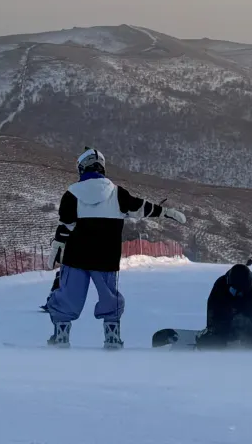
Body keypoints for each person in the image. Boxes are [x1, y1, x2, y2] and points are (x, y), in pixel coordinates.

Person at [44, 147, 186, 349]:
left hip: (75, 258)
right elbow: (142, 208)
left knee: (69, 296)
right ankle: (112, 337)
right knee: (109, 297)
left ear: (81, 168)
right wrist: (166, 212)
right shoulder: (117, 193)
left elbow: (66, 225)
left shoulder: (71, 194)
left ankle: (61, 336)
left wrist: (57, 245)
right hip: (106, 258)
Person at [195, 264, 252, 350]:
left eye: (242, 291)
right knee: (212, 343)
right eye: (235, 290)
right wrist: (214, 329)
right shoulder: (220, 285)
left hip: (250, 326)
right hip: (225, 325)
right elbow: (212, 312)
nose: (238, 294)